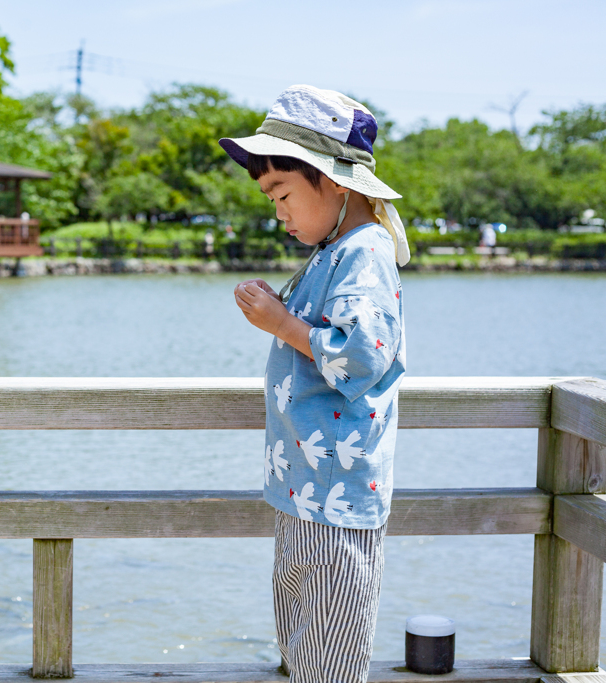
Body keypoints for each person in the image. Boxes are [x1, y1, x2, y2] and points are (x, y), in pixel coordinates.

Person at [221, 85, 409, 683]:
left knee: (328, 659)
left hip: (335, 496)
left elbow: (361, 357)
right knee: (303, 647)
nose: (278, 211)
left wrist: (280, 322)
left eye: (283, 194)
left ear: (335, 182)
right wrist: (285, 315)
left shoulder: (364, 250)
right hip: (306, 487)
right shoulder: (335, 248)